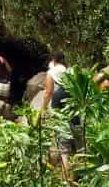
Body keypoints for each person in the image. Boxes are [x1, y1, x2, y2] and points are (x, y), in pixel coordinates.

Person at [40, 54, 75, 183]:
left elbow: (48, 92)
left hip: (60, 105)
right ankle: (81, 177)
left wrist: (43, 109)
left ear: (53, 61)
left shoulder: (52, 72)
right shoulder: (70, 70)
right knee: (79, 144)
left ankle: (68, 181)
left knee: (64, 147)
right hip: (74, 103)